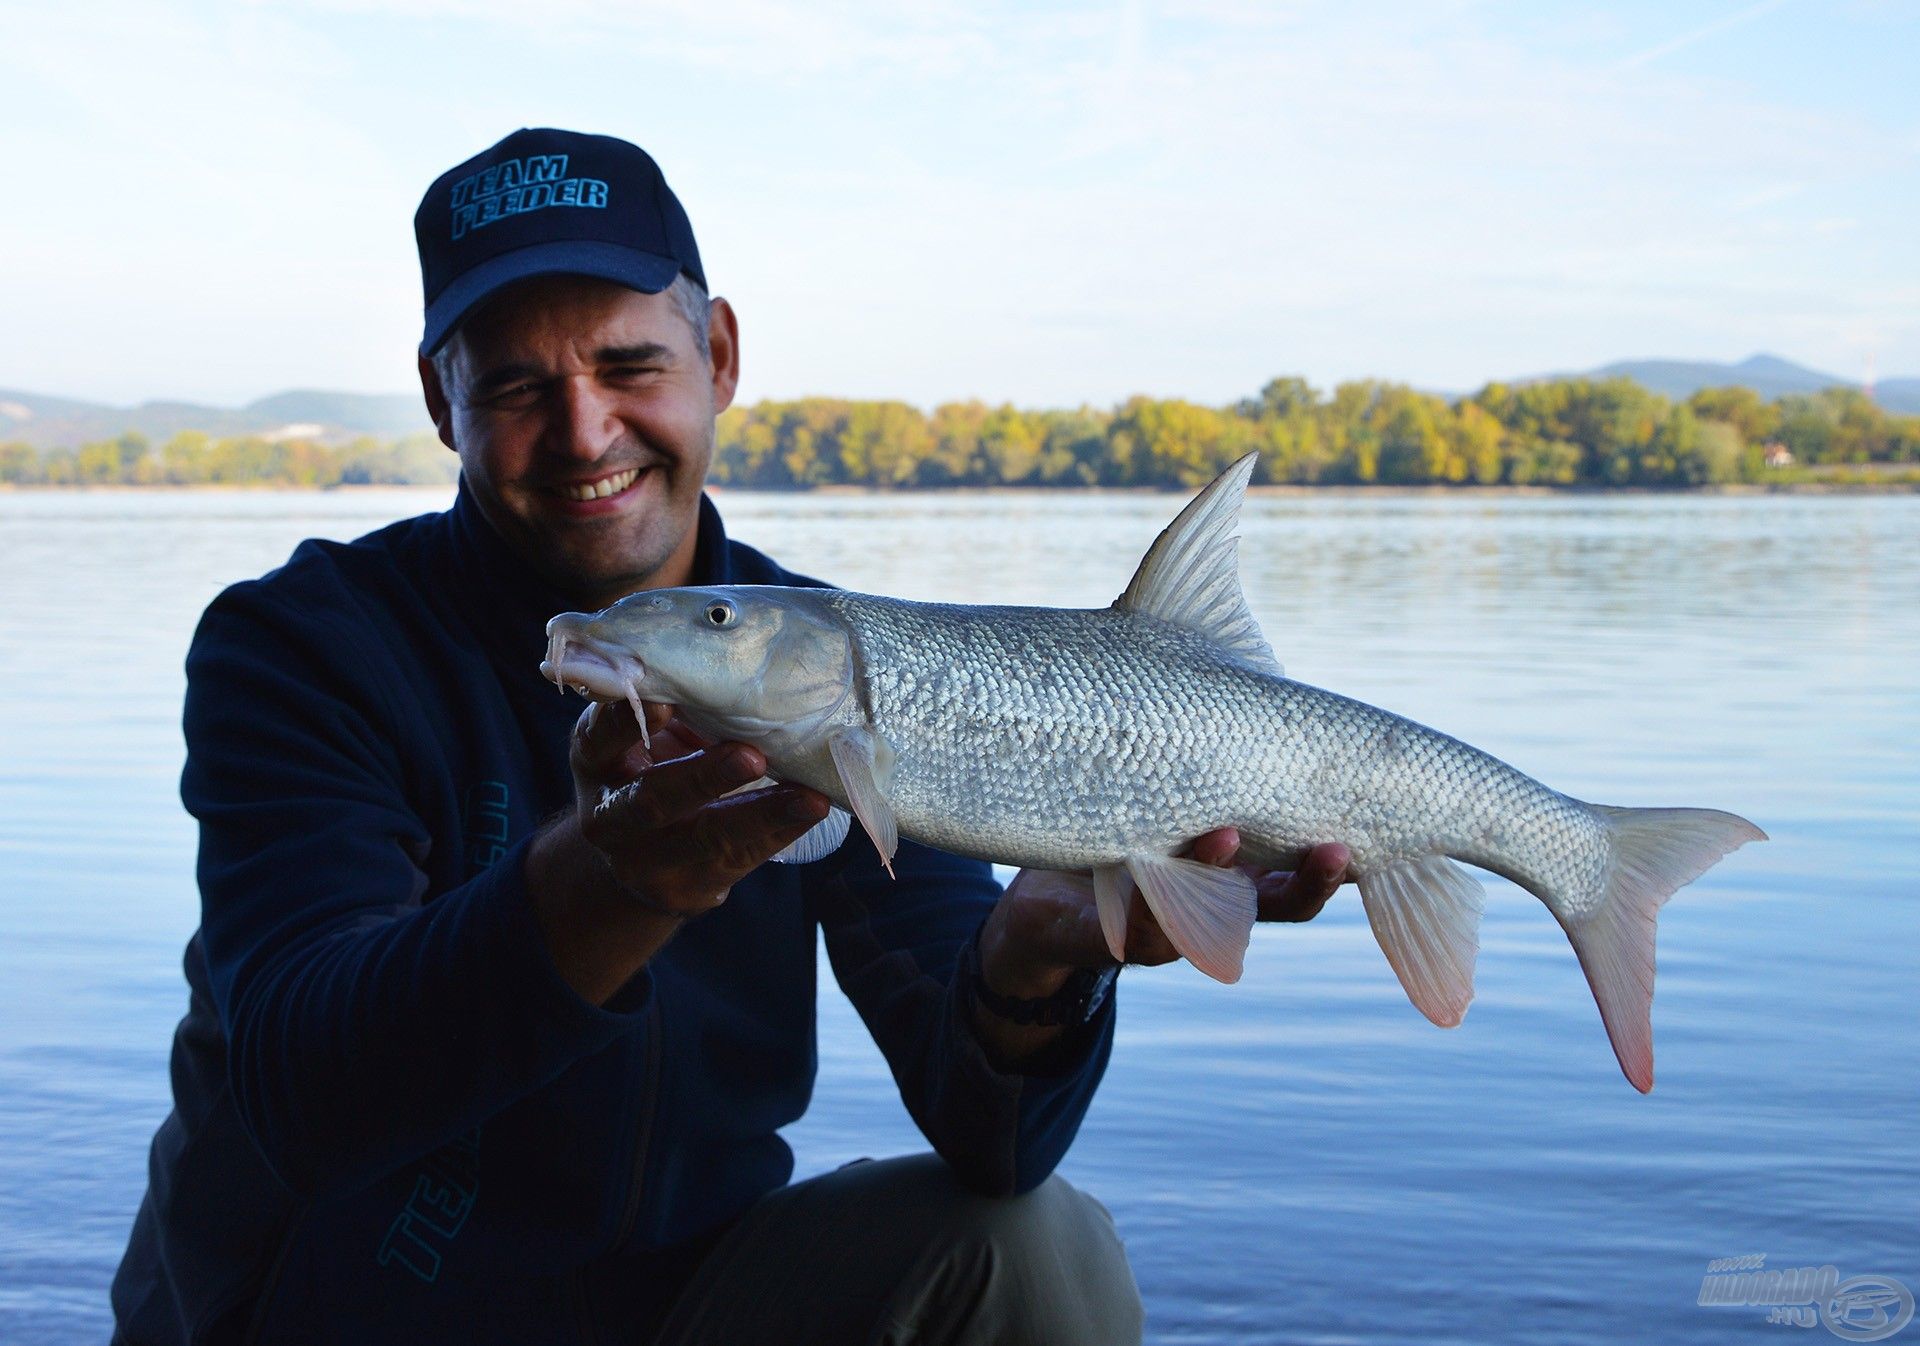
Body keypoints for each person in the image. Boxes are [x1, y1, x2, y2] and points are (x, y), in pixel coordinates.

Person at [110, 127, 1350, 1345]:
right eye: (516, 384)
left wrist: (1030, 966)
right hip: (327, 1315)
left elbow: (996, 1143)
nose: (587, 430)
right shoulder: (305, 644)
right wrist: (607, 878)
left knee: (1034, 1248)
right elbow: (301, 1096)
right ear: (443, 399)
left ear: (718, 353)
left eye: (628, 365)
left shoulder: (829, 668)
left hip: (683, 1302)